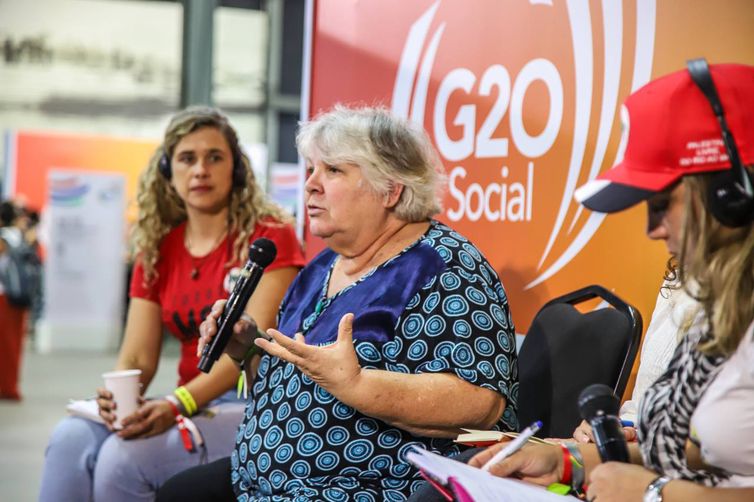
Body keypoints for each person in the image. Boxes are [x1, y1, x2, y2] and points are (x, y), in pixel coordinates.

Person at [156, 105, 520, 501]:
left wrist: (360, 385)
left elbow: (479, 403)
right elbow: (292, 382)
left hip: (365, 489)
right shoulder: (323, 266)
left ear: (390, 189)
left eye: (332, 171)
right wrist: (246, 349)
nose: (310, 184)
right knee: (179, 493)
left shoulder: (445, 265)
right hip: (264, 482)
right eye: (311, 169)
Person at [470, 61, 754, 501]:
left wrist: (655, 493)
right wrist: (572, 462)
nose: (652, 229)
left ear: (732, 193)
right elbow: (712, 452)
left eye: (661, 204)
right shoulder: (720, 300)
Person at [39, 107, 305, 502]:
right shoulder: (158, 249)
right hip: (185, 402)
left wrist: (177, 402)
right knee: (70, 438)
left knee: (121, 458)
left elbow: (246, 350)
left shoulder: (270, 238)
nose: (200, 170)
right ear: (167, 169)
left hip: (251, 405)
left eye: (214, 157)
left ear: (236, 169)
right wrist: (119, 400)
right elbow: (136, 355)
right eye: (187, 158)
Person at [572, 277, 697, 443]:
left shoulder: (738, 302)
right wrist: (613, 427)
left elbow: (712, 444)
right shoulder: (676, 280)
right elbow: (641, 408)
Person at [0, 200, 28, 400]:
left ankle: (7, 387)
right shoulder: (18, 236)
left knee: (6, 345)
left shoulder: (3, 239)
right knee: (14, 344)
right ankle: (11, 385)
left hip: (4, 297)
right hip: (18, 297)